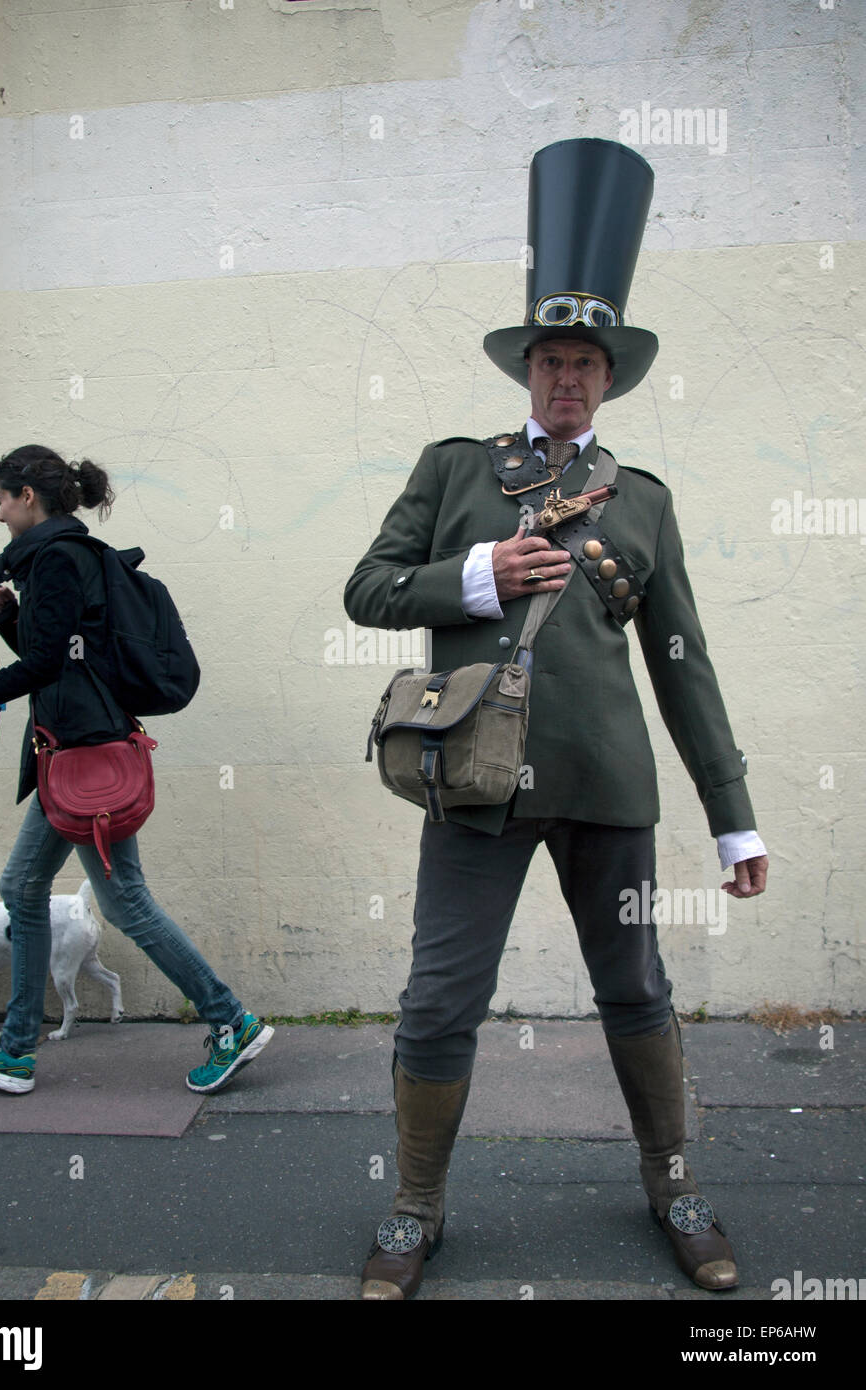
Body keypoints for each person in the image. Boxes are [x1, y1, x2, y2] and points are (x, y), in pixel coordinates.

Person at [344, 139, 768, 1300]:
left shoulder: (645, 506)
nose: (567, 378)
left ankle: (674, 1182)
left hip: (607, 785)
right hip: (473, 782)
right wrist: (475, 573)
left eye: (587, 362)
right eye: (550, 360)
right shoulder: (455, 474)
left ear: (609, 379)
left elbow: (683, 665)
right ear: (526, 371)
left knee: (635, 990)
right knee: (440, 998)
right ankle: (416, 1204)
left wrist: (733, 818)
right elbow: (368, 589)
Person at [0, 444, 272, 1096]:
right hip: (68, 756)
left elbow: (42, 669)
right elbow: (63, 657)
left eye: (1, 500)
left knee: (124, 900)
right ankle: (15, 1048)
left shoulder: (59, 561)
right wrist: (14, 619)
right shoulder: (61, 559)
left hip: (83, 760)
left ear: (27, 498)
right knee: (23, 888)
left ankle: (228, 1019)